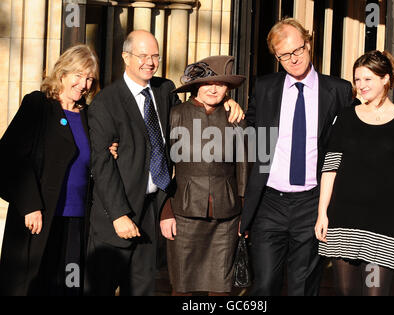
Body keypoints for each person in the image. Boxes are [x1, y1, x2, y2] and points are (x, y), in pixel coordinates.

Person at [239, 17, 394, 296]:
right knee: (264, 285)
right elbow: (246, 129)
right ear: (276, 57)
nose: (293, 58)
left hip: (311, 200)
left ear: (308, 44)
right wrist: (227, 103)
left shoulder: (336, 90)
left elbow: (370, 115)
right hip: (269, 202)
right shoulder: (265, 87)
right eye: (284, 55)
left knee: (302, 287)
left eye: (297, 49)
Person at [84, 30, 244, 296]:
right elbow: (102, 165)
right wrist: (119, 215)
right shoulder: (105, 102)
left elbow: (194, 112)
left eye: (155, 56)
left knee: (144, 288)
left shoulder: (164, 89)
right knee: (101, 287)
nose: (149, 62)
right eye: (143, 55)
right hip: (118, 213)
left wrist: (225, 99)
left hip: (151, 209)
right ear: (126, 57)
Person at [315, 50, 394, 296]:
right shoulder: (345, 117)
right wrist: (322, 214)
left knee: (374, 293)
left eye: (368, 79)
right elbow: (330, 168)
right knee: (345, 293)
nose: (361, 86)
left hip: (384, 225)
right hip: (343, 221)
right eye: (357, 80)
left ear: (386, 79)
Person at [0, 44, 100, 295]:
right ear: (62, 73)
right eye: (78, 75)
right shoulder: (38, 105)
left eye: (89, 78)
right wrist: (30, 204)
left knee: (69, 285)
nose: (83, 84)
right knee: (32, 286)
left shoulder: (89, 115)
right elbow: (11, 157)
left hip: (77, 219)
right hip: (38, 217)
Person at [159, 56, 248, 296]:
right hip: (183, 214)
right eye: (208, 82)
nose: (214, 88)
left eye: (221, 84)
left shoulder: (236, 120)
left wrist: (244, 213)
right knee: (183, 287)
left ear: (228, 88)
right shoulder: (175, 115)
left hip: (227, 217)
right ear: (196, 86)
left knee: (221, 288)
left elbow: (243, 169)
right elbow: (162, 166)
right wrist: (165, 210)